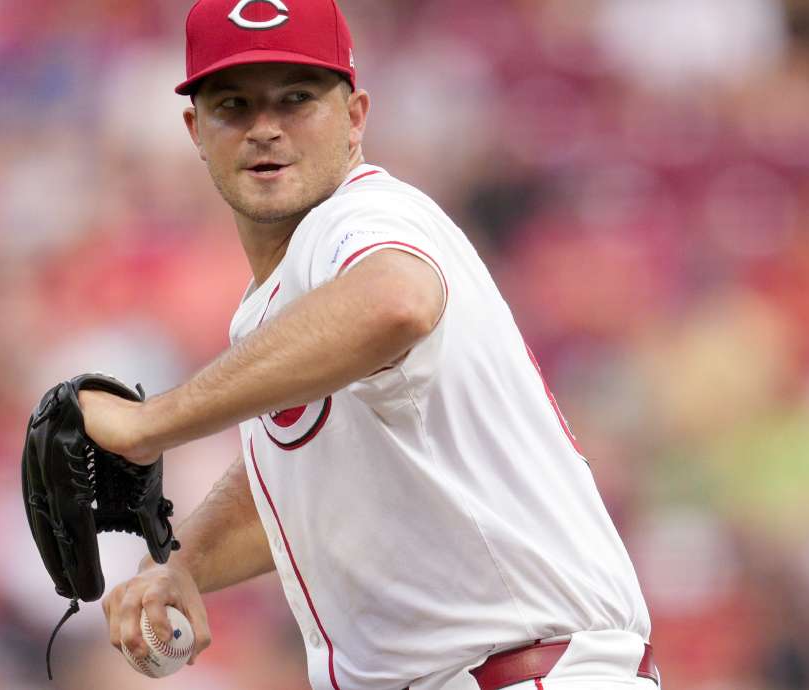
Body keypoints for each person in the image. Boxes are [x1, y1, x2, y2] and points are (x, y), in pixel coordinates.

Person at [78, 1, 657, 688]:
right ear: (195, 129)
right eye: (234, 104)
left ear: (355, 118)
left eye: (296, 100)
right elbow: (312, 474)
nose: (266, 128)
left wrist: (151, 424)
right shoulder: (293, 304)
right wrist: (179, 564)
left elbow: (396, 300)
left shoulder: (362, 216)